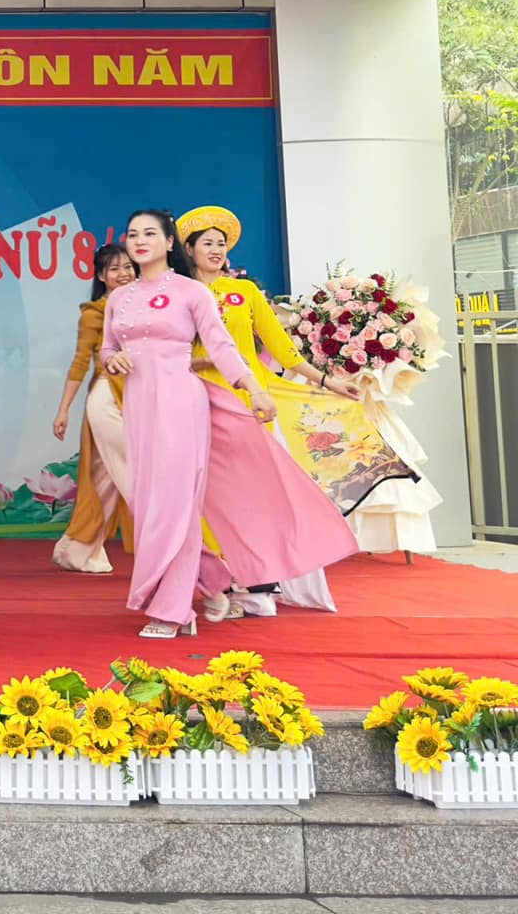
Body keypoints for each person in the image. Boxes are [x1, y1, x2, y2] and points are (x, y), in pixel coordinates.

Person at [101, 209, 358, 637]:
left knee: (175, 504)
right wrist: (113, 360)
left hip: (182, 404)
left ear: (169, 243)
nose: (139, 241)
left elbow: (222, 347)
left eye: (150, 233)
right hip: (139, 409)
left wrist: (254, 389)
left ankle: (172, 610)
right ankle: (213, 579)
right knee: (149, 506)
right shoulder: (119, 298)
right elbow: (108, 348)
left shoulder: (191, 293)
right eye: (132, 234)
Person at [179, 204, 410, 614]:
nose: (216, 250)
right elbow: (170, 351)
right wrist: (203, 362)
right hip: (195, 401)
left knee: (253, 492)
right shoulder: (179, 294)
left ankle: (257, 580)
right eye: (207, 243)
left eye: (221, 244)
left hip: (250, 403)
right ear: (188, 249)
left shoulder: (245, 293)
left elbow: (282, 348)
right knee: (205, 494)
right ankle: (216, 580)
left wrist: (328, 381)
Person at [50, 244, 136, 573]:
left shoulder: (147, 308)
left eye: (128, 266)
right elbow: (80, 362)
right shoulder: (95, 313)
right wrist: (63, 410)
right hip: (107, 396)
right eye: (114, 269)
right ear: (101, 276)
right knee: (137, 468)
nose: (123, 274)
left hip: (139, 396)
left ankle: (77, 549)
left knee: (106, 478)